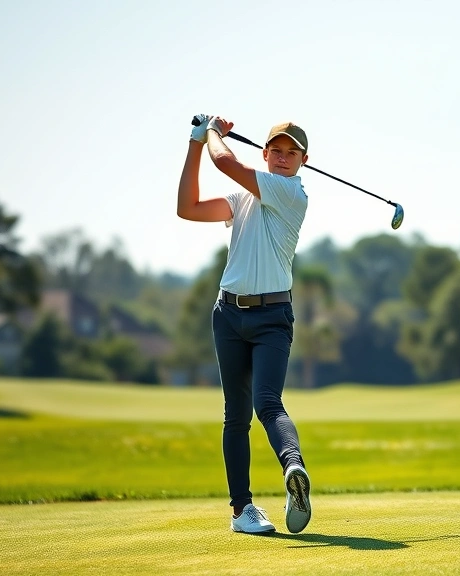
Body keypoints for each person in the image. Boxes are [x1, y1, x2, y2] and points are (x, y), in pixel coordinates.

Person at [177, 114, 312, 535]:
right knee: (235, 415)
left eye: (293, 152)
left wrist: (213, 133)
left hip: (272, 317)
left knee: (267, 403)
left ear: (304, 160)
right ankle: (242, 511)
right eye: (278, 150)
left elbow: (227, 163)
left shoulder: (290, 193)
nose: (284, 157)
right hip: (228, 314)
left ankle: (294, 470)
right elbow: (187, 208)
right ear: (265, 153)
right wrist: (195, 144)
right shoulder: (243, 199)